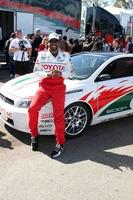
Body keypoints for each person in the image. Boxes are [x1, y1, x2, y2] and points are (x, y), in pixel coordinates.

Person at [28, 32, 74, 158]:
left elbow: (71, 73)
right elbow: (35, 73)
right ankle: (34, 135)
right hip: (44, 86)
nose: (53, 44)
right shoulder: (41, 55)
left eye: (55, 41)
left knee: (58, 115)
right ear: (47, 43)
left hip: (59, 88)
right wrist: (48, 74)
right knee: (32, 109)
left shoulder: (65, 56)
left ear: (58, 43)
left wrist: (60, 74)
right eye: (51, 41)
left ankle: (60, 143)